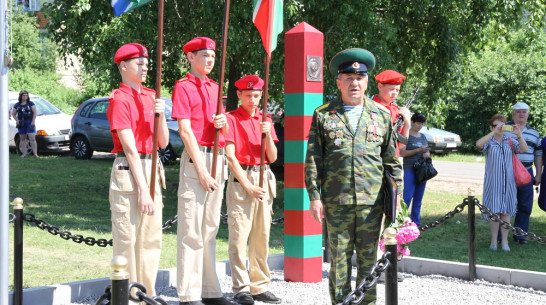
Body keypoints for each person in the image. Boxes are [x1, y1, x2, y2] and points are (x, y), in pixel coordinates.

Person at [305, 48, 403, 305]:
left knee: (369, 260)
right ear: (338, 82)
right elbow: (314, 159)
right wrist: (315, 197)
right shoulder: (323, 115)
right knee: (338, 262)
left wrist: (397, 200)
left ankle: (366, 303)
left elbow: (392, 162)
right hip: (337, 203)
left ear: (367, 81)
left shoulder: (381, 116)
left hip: (372, 204)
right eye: (348, 78)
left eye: (359, 78)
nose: (354, 83)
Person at [171, 37, 235, 305]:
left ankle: (210, 291)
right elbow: (185, 131)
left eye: (212, 56)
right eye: (204, 55)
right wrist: (202, 170)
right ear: (190, 57)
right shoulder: (183, 87)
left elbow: (225, 132)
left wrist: (224, 123)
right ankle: (189, 294)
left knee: (210, 228)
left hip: (216, 157)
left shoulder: (215, 87)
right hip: (197, 159)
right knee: (191, 230)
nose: (210, 60)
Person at [107, 42, 169, 296]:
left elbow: (163, 142)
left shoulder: (151, 96)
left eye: (146, 63)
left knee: (151, 239)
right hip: (129, 170)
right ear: (123, 66)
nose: (145, 67)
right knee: (127, 239)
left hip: (153, 164)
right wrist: (144, 189)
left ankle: (147, 294)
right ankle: (128, 297)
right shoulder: (119, 98)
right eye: (138, 63)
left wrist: (161, 114)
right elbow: (130, 148)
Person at [225, 75, 281, 305]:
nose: (252, 99)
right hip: (242, 179)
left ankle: (259, 285)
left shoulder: (265, 119)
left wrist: (267, 135)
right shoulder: (231, 119)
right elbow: (230, 156)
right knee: (239, 236)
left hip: (264, 176)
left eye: (256, 96)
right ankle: (241, 288)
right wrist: (248, 186)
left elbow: (273, 157)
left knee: (262, 235)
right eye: (247, 95)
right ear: (239, 95)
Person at [476, 114, 527, 251]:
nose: (499, 128)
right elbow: (478, 144)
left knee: (506, 213)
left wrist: (519, 134)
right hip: (493, 183)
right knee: (494, 212)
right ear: (491, 127)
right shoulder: (489, 141)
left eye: (501, 125)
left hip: (508, 183)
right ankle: (493, 242)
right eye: (495, 125)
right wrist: (493, 132)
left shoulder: (510, 140)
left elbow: (524, 149)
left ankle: (505, 242)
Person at [506, 102, 542, 244]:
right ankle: (499, 236)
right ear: (513, 114)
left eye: (524, 112)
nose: (521, 114)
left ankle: (520, 235)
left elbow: (538, 154)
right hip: (507, 172)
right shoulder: (504, 129)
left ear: (528, 114)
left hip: (526, 172)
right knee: (505, 205)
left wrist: (538, 174)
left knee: (525, 205)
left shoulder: (534, 133)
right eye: (518, 112)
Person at [399, 113, 430, 226]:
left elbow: (426, 150)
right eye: (418, 123)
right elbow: (402, 153)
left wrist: (426, 153)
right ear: (412, 122)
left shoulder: (423, 136)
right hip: (410, 169)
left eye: (422, 123)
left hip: (422, 170)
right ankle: (401, 220)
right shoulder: (406, 136)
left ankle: (416, 223)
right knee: (407, 196)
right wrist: (417, 150)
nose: (420, 126)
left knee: (418, 198)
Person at [372, 69, 411, 155]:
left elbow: (401, 146)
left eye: (397, 90)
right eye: (391, 89)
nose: (395, 93)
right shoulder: (371, 107)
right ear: (380, 86)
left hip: (392, 162)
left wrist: (407, 124)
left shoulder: (396, 111)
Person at [11, 90, 39, 158]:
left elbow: (35, 113)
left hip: (29, 122)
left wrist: (33, 121)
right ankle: (24, 154)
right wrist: (17, 120)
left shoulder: (31, 103)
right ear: (20, 96)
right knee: (23, 139)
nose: (25, 96)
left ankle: (35, 154)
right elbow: (13, 114)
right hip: (21, 123)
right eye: (23, 95)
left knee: (32, 138)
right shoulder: (17, 105)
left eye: (26, 95)